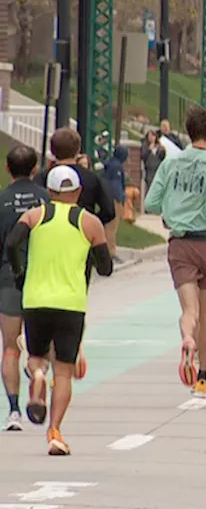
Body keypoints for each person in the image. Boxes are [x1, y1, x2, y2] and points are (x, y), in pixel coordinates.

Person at [7, 166, 112, 455]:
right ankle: (55, 431)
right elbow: (106, 267)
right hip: (70, 303)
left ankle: (37, 376)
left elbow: (12, 243)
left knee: (36, 358)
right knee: (64, 372)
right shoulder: (89, 222)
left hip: (36, 299)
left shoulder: (34, 216)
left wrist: (20, 273)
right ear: (78, 192)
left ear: (49, 192)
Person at [143, 106, 206, 398]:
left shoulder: (171, 163)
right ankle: (202, 377)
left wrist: (173, 209)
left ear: (187, 131)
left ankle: (187, 337)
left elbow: (151, 203)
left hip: (181, 243)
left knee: (189, 311)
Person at [0, 145, 49, 431]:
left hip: (8, 277)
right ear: (35, 169)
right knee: (40, 346)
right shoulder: (45, 200)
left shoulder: (2, 200)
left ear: (7, 169)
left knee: (9, 347)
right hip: (41, 278)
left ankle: (14, 410)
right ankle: (39, 378)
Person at [101, 145, 128, 259]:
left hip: (106, 198)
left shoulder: (110, 164)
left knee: (108, 226)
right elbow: (115, 185)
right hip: (114, 200)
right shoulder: (117, 167)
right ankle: (110, 252)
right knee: (112, 226)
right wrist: (120, 198)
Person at [141, 130, 165, 200]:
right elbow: (143, 156)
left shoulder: (159, 146)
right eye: (150, 136)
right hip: (149, 169)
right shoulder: (145, 145)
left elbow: (162, 157)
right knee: (149, 186)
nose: (151, 138)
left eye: (153, 136)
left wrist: (160, 150)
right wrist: (149, 150)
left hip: (157, 169)